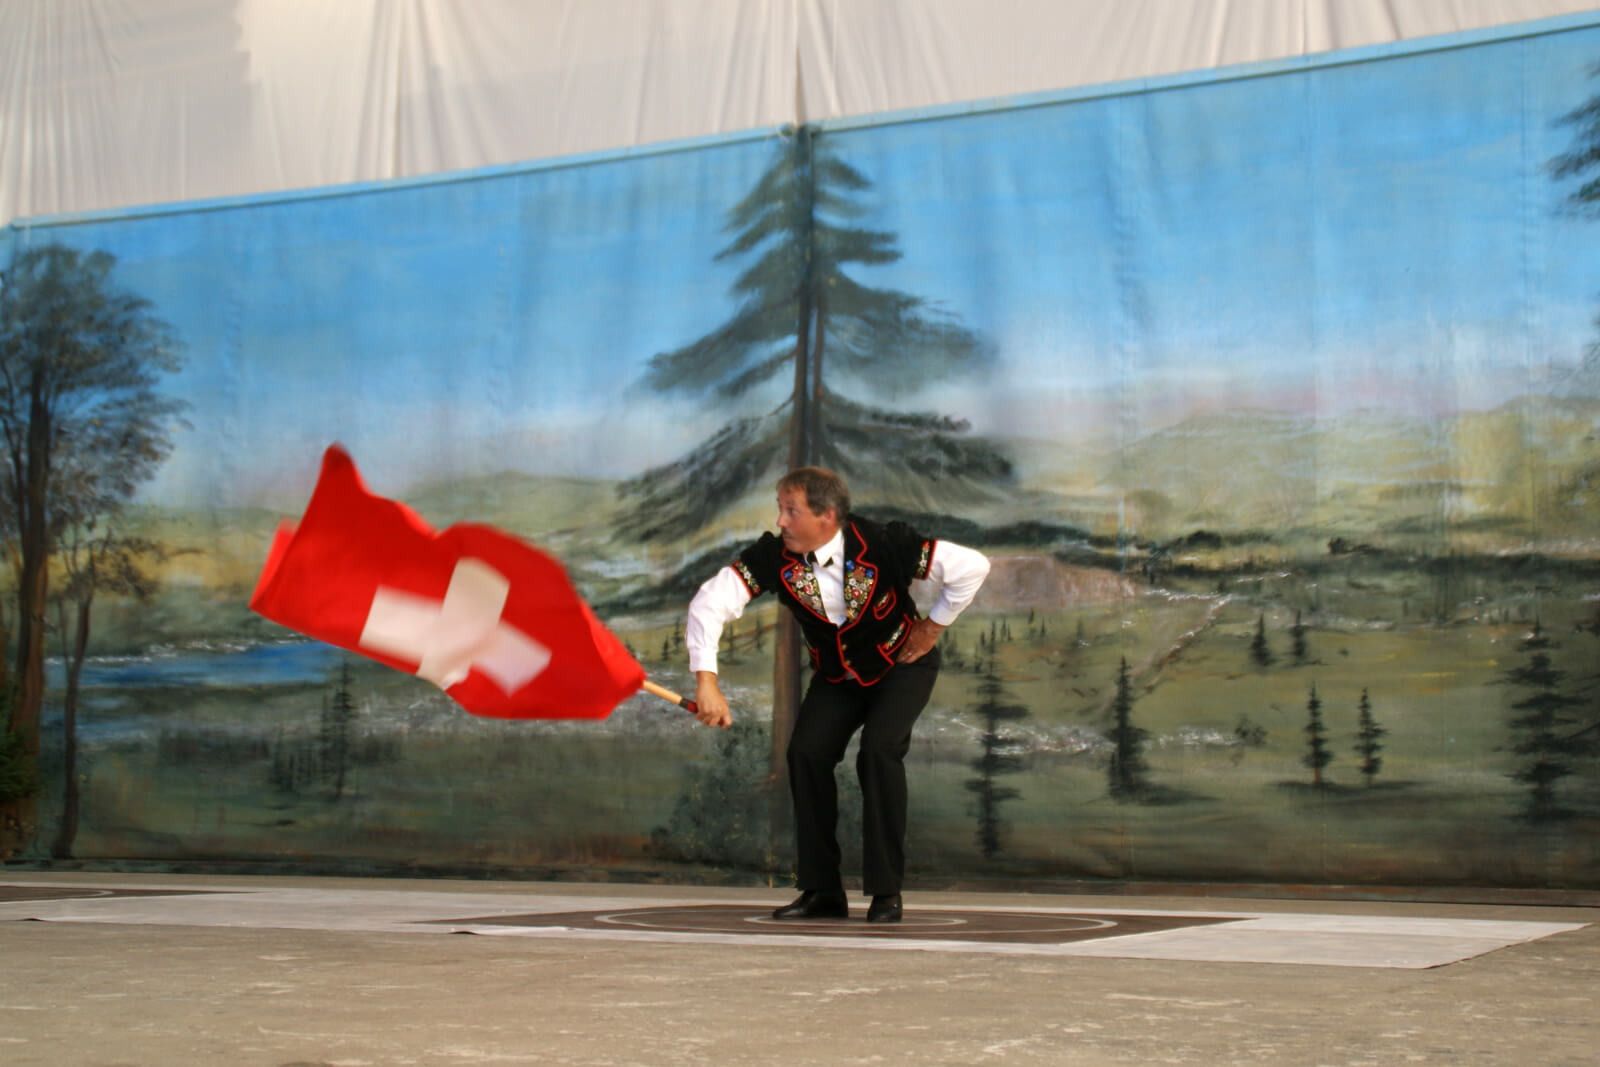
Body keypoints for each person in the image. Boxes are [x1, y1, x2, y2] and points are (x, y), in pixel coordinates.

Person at [685, 467, 990, 923]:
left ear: (827, 516)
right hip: (836, 678)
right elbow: (710, 602)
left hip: (901, 665)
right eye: (780, 509)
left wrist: (932, 627)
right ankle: (822, 891)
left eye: (792, 511)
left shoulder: (884, 543)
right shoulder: (774, 557)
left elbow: (973, 567)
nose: (781, 521)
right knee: (806, 754)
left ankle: (886, 893)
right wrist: (706, 680)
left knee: (878, 752)